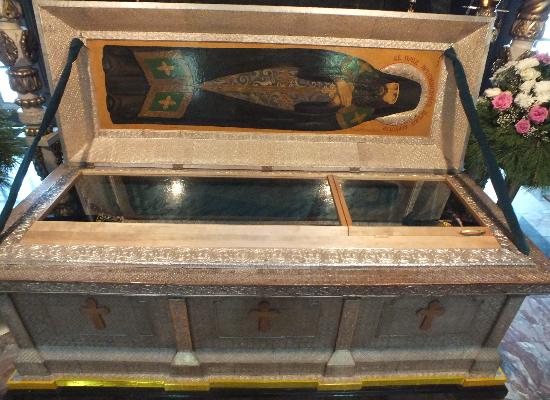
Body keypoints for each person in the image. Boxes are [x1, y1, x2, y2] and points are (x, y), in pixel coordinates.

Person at [103, 46, 422, 131]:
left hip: (270, 103)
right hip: (271, 71)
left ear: (391, 107)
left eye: (393, 97)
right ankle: (123, 66)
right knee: (199, 69)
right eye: (394, 87)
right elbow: (319, 61)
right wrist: (338, 82)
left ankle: (126, 102)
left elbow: (317, 120)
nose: (388, 92)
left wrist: (332, 102)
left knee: (201, 102)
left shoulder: (359, 115)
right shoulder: (361, 69)